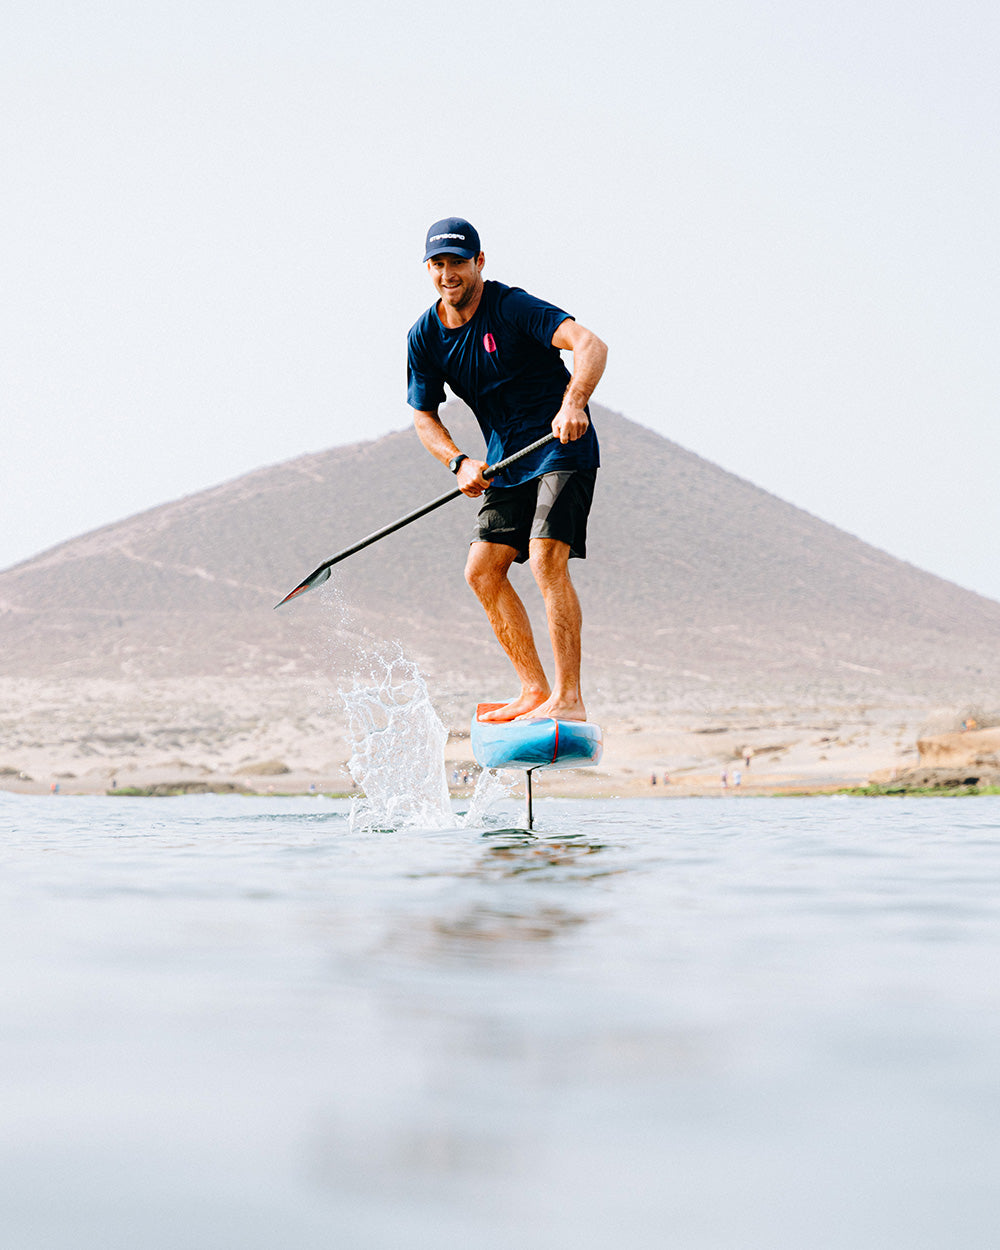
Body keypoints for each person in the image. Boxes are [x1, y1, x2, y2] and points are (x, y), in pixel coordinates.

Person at [407, 217, 607, 723]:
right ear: (429, 269)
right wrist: (458, 461)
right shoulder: (425, 337)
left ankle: (569, 698)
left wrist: (575, 403)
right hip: (506, 462)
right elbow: (423, 415)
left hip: (562, 445)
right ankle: (533, 690)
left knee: (545, 560)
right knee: (481, 572)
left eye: (457, 262)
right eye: (438, 264)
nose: (448, 273)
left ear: (479, 262)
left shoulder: (511, 306)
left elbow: (590, 345)